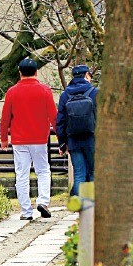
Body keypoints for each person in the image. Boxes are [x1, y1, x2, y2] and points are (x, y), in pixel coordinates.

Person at [0, 56, 57, 220]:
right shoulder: (45, 91)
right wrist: (61, 136)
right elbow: (54, 117)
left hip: (19, 140)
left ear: (20, 73)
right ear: (36, 72)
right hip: (40, 139)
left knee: (22, 174)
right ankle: (43, 201)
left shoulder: (12, 92)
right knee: (43, 170)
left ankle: (26, 211)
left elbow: (5, 118)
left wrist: (4, 138)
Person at [55, 64, 98, 196]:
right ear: (86, 75)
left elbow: (60, 121)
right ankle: (92, 204)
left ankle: (80, 204)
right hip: (92, 139)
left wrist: (62, 143)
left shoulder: (65, 95)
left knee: (79, 173)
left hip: (73, 140)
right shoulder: (95, 92)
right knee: (93, 172)